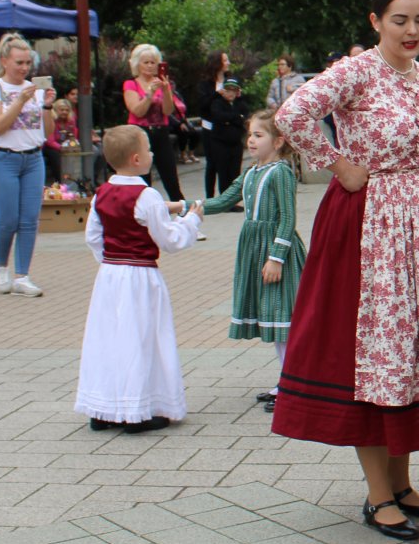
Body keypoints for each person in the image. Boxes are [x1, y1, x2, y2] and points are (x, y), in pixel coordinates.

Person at [273, 0, 419, 543]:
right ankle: (377, 495)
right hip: (369, 225)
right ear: (376, 22)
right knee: (377, 355)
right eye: (400, 20)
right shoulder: (356, 72)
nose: (413, 31)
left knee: (415, 355)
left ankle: (401, 483)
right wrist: (337, 163)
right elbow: (292, 115)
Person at [77, 125, 205, 434]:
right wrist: (191, 219)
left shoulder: (101, 193)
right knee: (142, 338)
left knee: (108, 338)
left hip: (109, 276)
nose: (151, 154)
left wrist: (109, 262)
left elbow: (94, 236)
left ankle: (104, 409)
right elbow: (169, 239)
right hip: (141, 276)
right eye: (148, 149)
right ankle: (138, 410)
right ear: (137, 159)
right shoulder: (146, 194)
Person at [203, 109, 306, 412]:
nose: (251, 140)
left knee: (282, 317)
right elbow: (222, 200)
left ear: (278, 141)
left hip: (276, 253)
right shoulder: (252, 172)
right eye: (250, 134)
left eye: (258, 135)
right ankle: (286, 382)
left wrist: (276, 258)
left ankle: (293, 386)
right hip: (254, 250)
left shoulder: (281, 172)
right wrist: (179, 207)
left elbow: (287, 218)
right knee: (275, 320)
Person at [0, 37, 54, 295]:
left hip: (33, 157)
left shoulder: (34, 89)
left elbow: (48, 131)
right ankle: (2, 267)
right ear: (4, 61)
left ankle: (23, 275)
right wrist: (20, 101)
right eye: (19, 62)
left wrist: (46, 105)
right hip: (4, 158)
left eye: (28, 63)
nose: (24, 68)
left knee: (29, 220)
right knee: (8, 219)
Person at [122, 45, 187, 204]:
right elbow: (137, 111)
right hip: (139, 133)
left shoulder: (163, 83)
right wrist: (149, 94)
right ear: (137, 64)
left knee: (170, 174)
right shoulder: (131, 84)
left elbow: (167, 111)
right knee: (143, 177)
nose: (150, 66)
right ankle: (143, 210)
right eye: (146, 62)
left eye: (153, 62)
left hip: (161, 131)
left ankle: (182, 211)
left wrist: (165, 91)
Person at [206, 79, 247, 199]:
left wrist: (232, 119)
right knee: (223, 171)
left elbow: (244, 117)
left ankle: (233, 199)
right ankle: (224, 199)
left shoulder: (240, 103)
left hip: (235, 142)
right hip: (220, 142)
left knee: (235, 171)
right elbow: (218, 116)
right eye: (228, 90)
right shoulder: (218, 103)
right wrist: (235, 117)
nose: (231, 93)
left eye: (234, 91)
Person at [200, 52, 232, 196]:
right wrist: (217, 94)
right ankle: (209, 197)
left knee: (226, 163)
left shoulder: (230, 80)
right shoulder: (205, 83)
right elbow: (202, 105)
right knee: (211, 164)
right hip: (209, 128)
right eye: (225, 60)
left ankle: (226, 197)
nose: (228, 63)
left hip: (226, 128)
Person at [44, 98, 79, 186]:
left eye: (67, 110)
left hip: (64, 145)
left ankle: (75, 181)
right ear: (56, 110)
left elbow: (73, 136)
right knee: (55, 155)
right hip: (50, 146)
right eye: (62, 110)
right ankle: (60, 181)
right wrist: (63, 148)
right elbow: (50, 141)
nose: (64, 112)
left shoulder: (70, 121)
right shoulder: (52, 120)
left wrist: (72, 147)